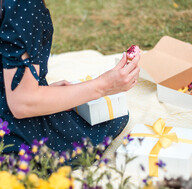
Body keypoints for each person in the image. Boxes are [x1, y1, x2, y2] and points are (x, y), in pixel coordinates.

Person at [0, 0, 140, 155]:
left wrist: (35, 87)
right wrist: (104, 85)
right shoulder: (23, 4)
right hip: (9, 133)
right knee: (106, 122)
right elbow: (23, 104)